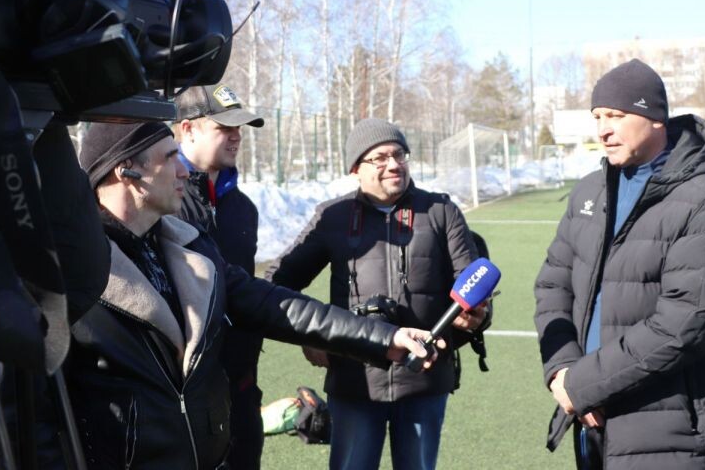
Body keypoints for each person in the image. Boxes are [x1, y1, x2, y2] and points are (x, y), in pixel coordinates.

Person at [55, 121, 440, 470]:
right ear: (127, 170)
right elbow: (28, 414)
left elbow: (275, 305)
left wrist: (384, 337)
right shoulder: (67, 269)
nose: (184, 170)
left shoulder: (190, 247)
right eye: (171, 157)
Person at [534, 58, 705, 470]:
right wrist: (562, 370)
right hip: (589, 418)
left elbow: (685, 324)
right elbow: (552, 285)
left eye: (616, 115)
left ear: (655, 118)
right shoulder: (590, 191)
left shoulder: (704, 198)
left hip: (670, 431)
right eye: (597, 117)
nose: (603, 129)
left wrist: (583, 384)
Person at [264, 118, 488, 470]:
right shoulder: (332, 216)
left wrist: (476, 317)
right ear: (356, 168)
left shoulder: (442, 211)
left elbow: (474, 285)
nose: (394, 164)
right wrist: (309, 336)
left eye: (399, 154)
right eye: (380, 158)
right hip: (354, 382)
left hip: (424, 380)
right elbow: (278, 282)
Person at [173, 84, 266, 469]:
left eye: (239, 128)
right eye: (224, 127)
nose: (236, 136)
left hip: (241, 389)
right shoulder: (162, 200)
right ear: (187, 130)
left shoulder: (243, 208)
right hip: (185, 399)